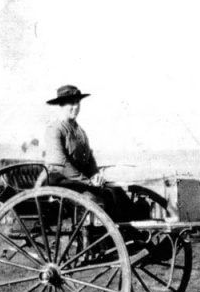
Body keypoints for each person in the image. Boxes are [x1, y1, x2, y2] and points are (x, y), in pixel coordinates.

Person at [44, 84, 136, 220]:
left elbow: (89, 157)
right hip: (61, 183)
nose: (75, 107)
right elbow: (60, 163)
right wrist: (87, 181)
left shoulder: (79, 131)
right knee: (96, 198)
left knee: (116, 192)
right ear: (62, 105)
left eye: (77, 102)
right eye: (71, 103)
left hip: (78, 182)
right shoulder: (55, 129)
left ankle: (131, 232)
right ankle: (103, 237)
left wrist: (95, 175)